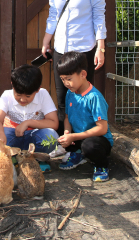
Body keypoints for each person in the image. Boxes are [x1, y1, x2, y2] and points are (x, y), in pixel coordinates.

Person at [40, 0, 106, 131]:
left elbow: (99, 16)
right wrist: (46, 41)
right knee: (63, 98)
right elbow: (53, 14)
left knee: (83, 96)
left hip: (84, 48)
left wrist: (100, 48)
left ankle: (84, 140)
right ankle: (65, 143)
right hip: (61, 47)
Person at [56, 51, 114, 182]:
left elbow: (102, 129)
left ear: (83, 74)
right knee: (57, 127)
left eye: (69, 79)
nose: (65, 83)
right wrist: (66, 133)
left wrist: (73, 136)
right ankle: (77, 153)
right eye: (63, 79)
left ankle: (101, 165)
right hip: (79, 136)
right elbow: (67, 117)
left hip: (98, 140)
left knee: (90, 146)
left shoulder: (95, 97)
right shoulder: (70, 93)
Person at [0, 65, 60, 158]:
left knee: (52, 137)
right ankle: (17, 156)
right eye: (18, 95)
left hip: (35, 135)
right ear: (12, 86)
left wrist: (28, 123)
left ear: (38, 89)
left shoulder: (43, 94)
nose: (22, 99)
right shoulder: (7, 95)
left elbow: (54, 123)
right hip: (13, 135)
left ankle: (30, 157)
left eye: (28, 96)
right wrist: (1, 135)